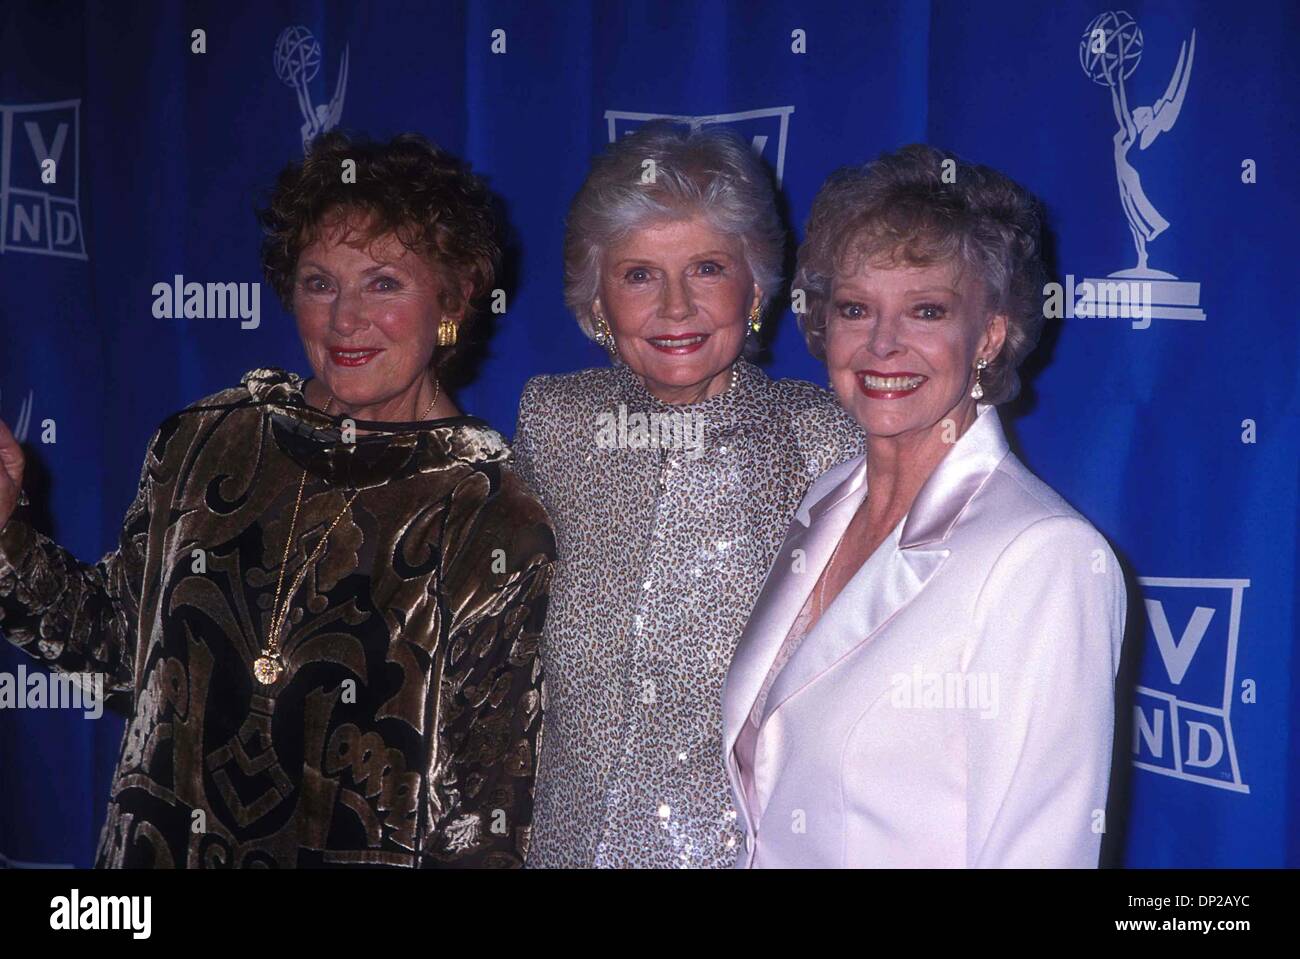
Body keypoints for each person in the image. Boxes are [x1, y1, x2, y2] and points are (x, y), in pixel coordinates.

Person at [0, 132, 554, 868]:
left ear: (451, 300)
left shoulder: (494, 513)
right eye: (320, 282)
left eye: (383, 282)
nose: (344, 318)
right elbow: (114, 652)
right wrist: (6, 532)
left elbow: (486, 821)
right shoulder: (204, 442)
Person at [723, 144, 1127, 868]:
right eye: (855, 308)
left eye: (926, 310)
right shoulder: (826, 501)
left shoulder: (1044, 556)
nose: (882, 344)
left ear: (991, 335)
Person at [515, 123, 865, 868]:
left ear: (757, 285)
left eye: (706, 268)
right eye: (639, 274)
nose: (675, 308)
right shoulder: (553, 422)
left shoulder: (826, 440)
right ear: (597, 299)